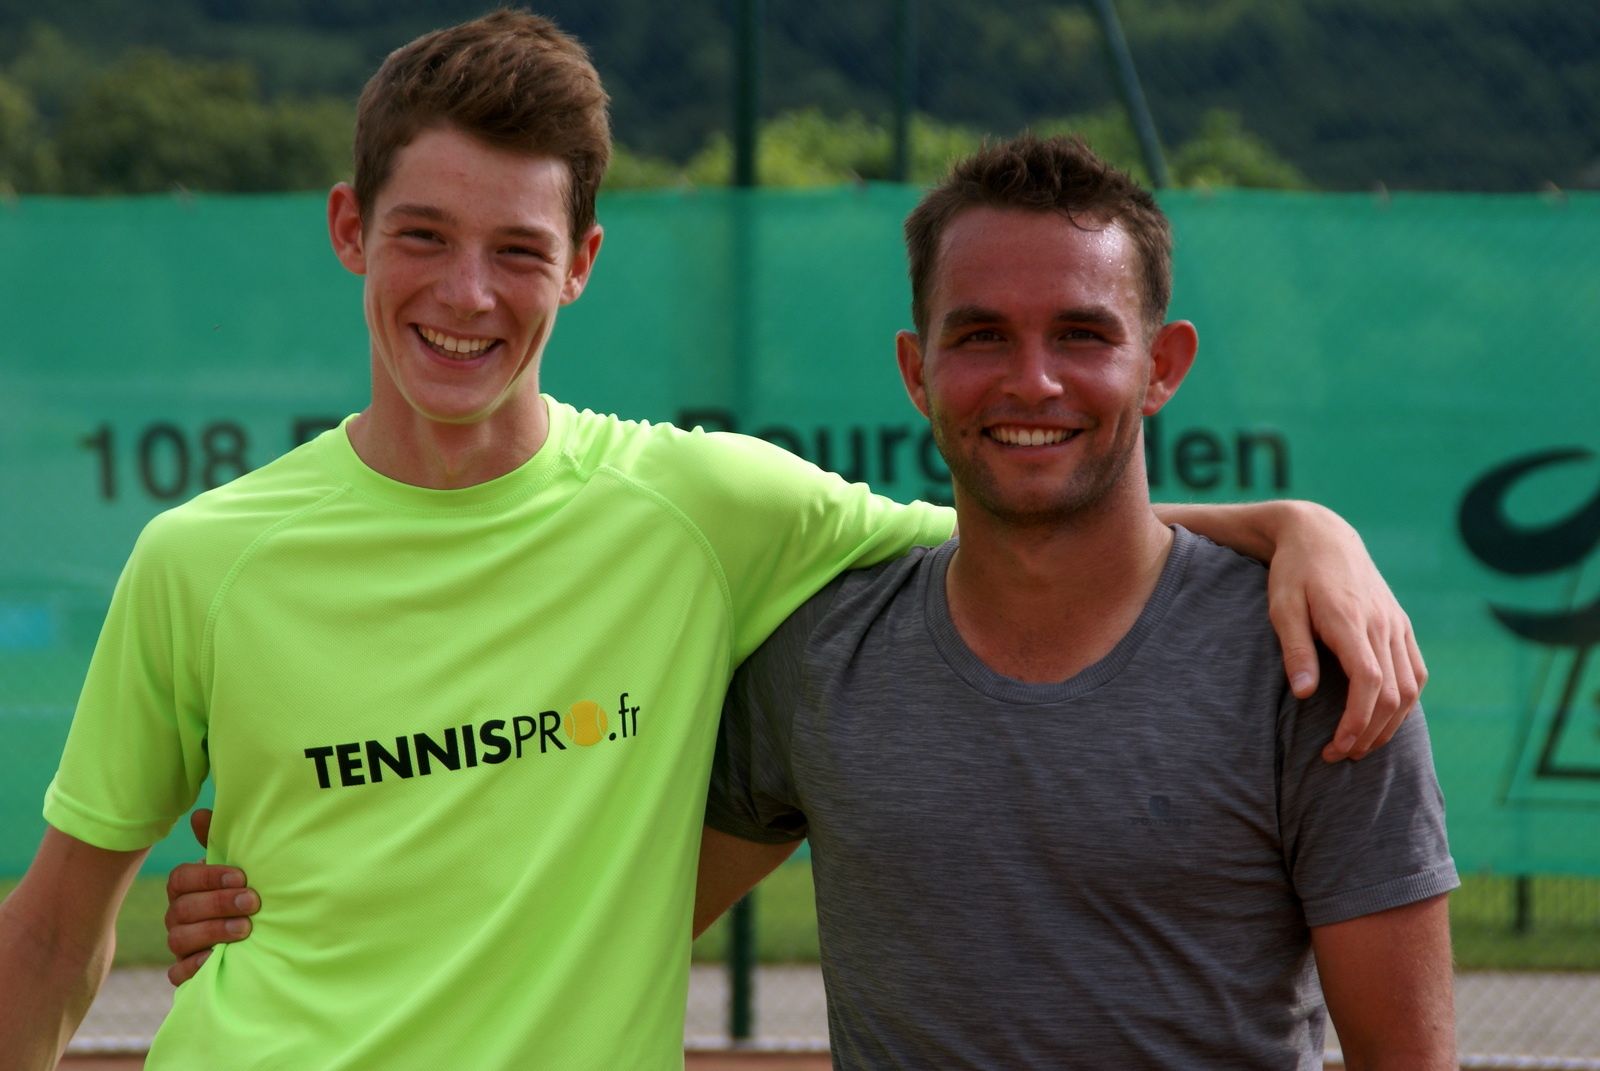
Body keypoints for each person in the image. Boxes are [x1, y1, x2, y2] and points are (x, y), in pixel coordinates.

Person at [2, 10, 1420, 1070]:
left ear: (585, 263)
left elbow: (1035, 507)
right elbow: (60, 929)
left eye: (517, 247)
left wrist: (1304, 530)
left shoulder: (708, 507)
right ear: (349, 231)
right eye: (423, 236)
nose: (466, 292)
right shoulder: (202, 555)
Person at [689, 135, 1458, 1068]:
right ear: (916, 370)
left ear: (1162, 366)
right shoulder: (823, 652)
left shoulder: (1309, 657)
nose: (1033, 380)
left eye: (1082, 334)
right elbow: (623, 924)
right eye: (981, 335)